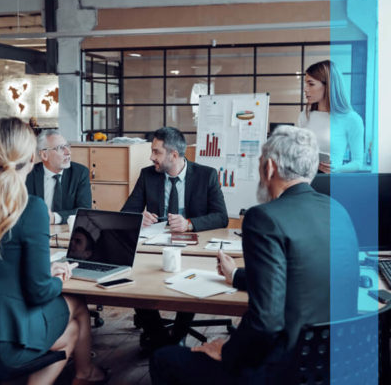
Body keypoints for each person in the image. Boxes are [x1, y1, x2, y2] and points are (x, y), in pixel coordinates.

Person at [150, 125, 360, 384]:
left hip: (282, 369)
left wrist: (226, 350)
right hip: (334, 361)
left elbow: (266, 324)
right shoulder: (337, 209)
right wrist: (236, 275)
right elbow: (300, 275)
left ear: (269, 168)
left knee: (163, 358)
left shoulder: (264, 218)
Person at [0, 117, 108, 385]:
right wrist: (58, 277)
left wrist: (43, 271)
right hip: (6, 341)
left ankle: (84, 372)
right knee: (77, 308)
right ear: (33, 158)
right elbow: (39, 291)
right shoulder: (30, 208)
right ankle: (85, 373)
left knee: (72, 329)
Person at [122, 126, 228, 351]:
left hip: (192, 249)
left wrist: (190, 224)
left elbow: (221, 217)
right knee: (135, 281)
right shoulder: (147, 174)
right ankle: (160, 337)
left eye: (156, 152)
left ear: (174, 155)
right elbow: (126, 213)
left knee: (190, 283)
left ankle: (178, 334)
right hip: (153, 247)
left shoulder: (206, 175)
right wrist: (138, 218)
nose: (152, 157)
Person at [298, 59, 364, 173]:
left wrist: (337, 169)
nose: (305, 89)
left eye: (311, 84)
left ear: (328, 85)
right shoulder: (304, 116)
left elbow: (358, 162)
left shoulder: (352, 119)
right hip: (302, 181)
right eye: (305, 83)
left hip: (329, 183)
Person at [26, 129, 92, 224]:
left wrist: (54, 218)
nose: (68, 152)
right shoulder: (29, 174)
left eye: (67, 146)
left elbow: (84, 211)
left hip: (66, 231)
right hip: (36, 228)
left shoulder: (80, 173)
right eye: (60, 148)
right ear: (44, 155)